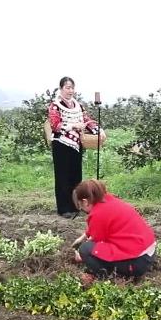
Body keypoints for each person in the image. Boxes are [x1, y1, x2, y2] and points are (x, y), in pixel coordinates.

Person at [70, 179, 156, 284]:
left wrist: (80, 255)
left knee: (86, 250)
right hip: (148, 254)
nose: (82, 209)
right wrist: (83, 237)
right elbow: (101, 228)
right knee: (89, 247)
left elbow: (97, 241)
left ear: (85, 202)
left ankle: (109, 277)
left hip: (137, 262)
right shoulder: (110, 200)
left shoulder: (97, 214)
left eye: (80, 206)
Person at [48, 77, 104, 218]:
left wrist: (98, 130)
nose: (70, 90)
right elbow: (55, 125)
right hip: (61, 145)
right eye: (67, 88)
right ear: (61, 89)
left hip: (76, 146)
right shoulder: (55, 105)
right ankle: (64, 208)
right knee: (62, 177)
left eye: (72, 87)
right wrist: (73, 126)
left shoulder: (78, 105)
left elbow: (87, 120)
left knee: (75, 176)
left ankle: (75, 206)